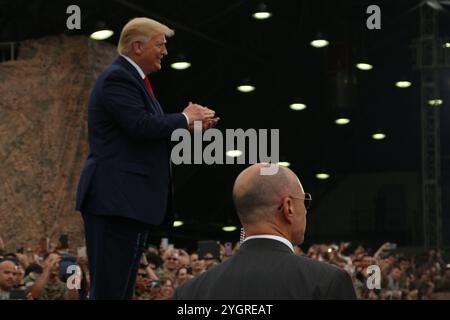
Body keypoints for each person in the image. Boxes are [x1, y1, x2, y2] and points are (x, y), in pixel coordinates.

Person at [75, 17, 219, 300]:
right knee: (110, 291)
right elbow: (140, 126)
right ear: (137, 46)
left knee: (121, 290)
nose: (165, 51)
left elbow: (145, 131)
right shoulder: (118, 78)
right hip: (114, 201)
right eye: (160, 44)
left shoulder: (134, 82)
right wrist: (184, 117)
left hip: (127, 202)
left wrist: (187, 125)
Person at [174, 163, 356, 299]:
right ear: (289, 207)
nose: (306, 210)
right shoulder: (327, 283)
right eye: (305, 201)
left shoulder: (190, 292)